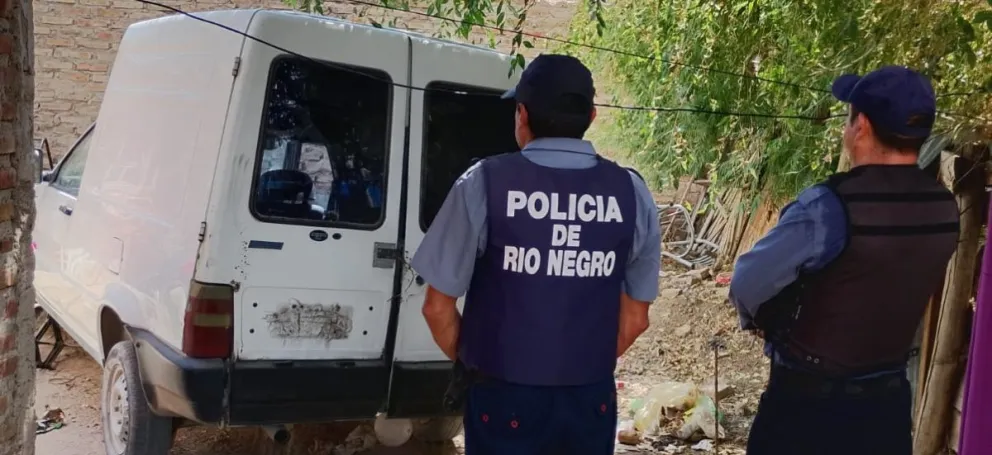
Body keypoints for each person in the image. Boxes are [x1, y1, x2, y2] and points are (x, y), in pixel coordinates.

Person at [410, 54, 661, 455]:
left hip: (502, 397)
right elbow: (636, 319)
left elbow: (436, 309)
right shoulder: (631, 193)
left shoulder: (483, 183)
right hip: (589, 400)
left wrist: (481, 365)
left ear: (522, 114)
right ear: (591, 116)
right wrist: (572, 366)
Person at [730, 66, 960, 455]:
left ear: (862, 126)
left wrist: (764, 321)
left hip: (807, 410)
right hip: (887, 412)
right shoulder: (945, 208)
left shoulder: (828, 208)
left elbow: (747, 284)